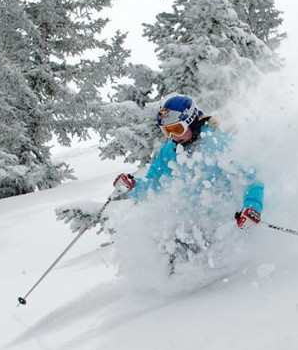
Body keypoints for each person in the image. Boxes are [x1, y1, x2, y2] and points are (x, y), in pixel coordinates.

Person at [112, 94, 264, 272]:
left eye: (177, 129)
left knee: (200, 269)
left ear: (191, 120)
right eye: (166, 131)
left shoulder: (218, 144)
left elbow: (253, 179)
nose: (173, 136)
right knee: (168, 267)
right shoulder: (169, 151)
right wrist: (133, 187)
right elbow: (151, 188)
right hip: (188, 228)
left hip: (220, 227)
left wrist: (252, 207)